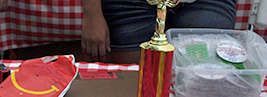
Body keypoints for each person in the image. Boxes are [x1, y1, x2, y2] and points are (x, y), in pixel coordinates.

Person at [81, 0, 237, 64]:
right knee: (134, 78)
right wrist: (92, 12)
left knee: (202, 70)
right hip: (130, 2)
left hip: (202, 2)